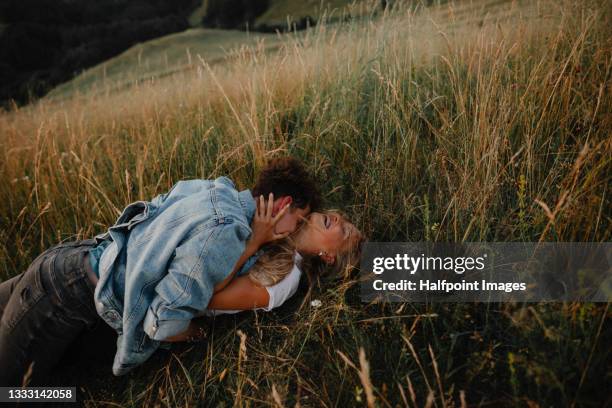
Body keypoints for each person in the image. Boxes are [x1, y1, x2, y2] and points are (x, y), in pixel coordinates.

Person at [0, 157, 323, 385]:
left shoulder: (215, 189)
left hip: (71, 259)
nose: (296, 228)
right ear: (283, 205)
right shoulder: (227, 233)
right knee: (18, 394)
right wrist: (195, 333)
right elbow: (163, 323)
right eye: (300, 218)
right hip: (66, 295)